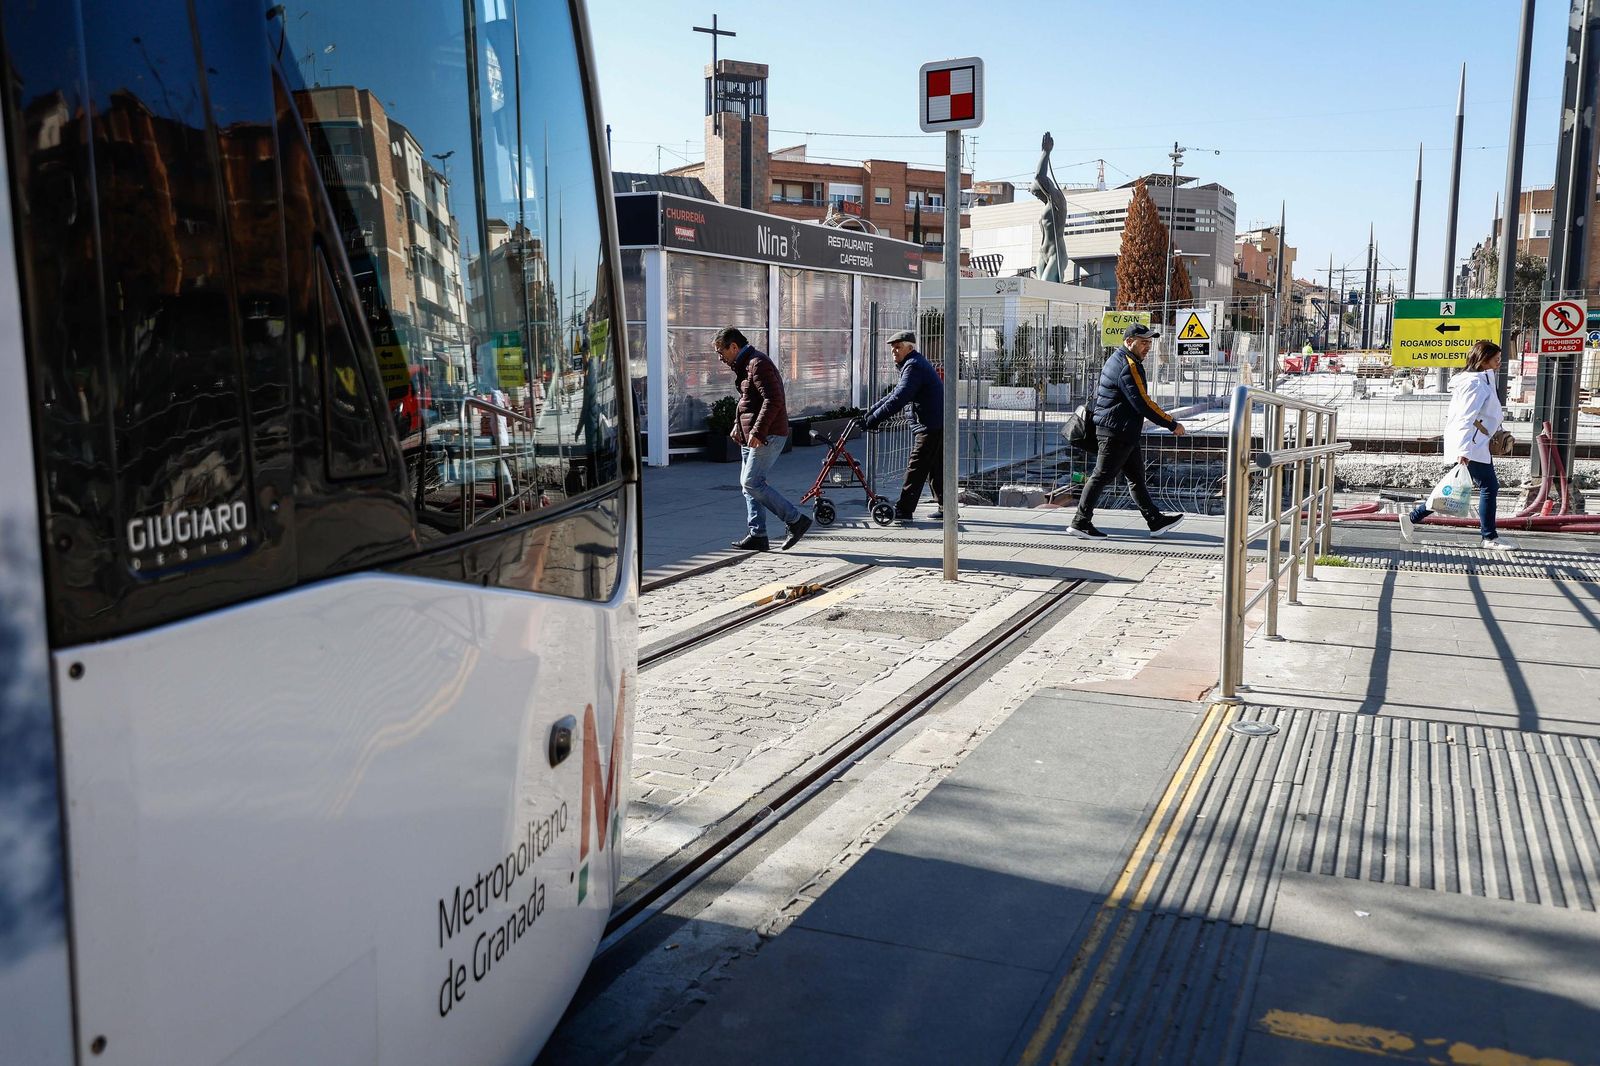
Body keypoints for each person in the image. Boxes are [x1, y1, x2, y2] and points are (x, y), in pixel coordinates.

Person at [1069, 322, 1188, 539]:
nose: (1148, 347)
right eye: (1143, 343)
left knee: (1136, 478)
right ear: (1129, 342)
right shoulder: (1128, 365)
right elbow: (1142, 402)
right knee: (1101, 476)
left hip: (1123, 431)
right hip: (1117, 431)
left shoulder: (1120, 359)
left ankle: (1155, 521)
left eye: (1149, 343)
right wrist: (1172, 423)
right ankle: (1080, 521)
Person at [1400, 340, 1515, 551]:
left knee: (1455, 488)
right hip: (1471, 444)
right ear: (1484, 360)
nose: (1499, 363)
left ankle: (1412, 518)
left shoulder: (1479, 380)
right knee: (1488, 487)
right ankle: (1489, 537)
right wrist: (1464, 451)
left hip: (1474, 443)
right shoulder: (1476, 384)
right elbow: (1465, 417)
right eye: (1496, 360)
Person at [715, 326, 811, 552]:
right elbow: (749, 401)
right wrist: (738, 428)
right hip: (751, 435)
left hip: (768, 435)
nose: (720, 358)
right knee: (748, 486)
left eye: (721, 352)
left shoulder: (758, 364)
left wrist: (758, 432)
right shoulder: (745, 365)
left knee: (752, 482)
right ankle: (758, 534)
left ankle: (795, 520)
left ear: (734, 347)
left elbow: (773, 400)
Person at [863, 329, 945, 524]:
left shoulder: (914, 366)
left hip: (930, 424)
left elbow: (900, 398)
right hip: (935, 422)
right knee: (936, 468)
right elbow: (894, 394)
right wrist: (870, 412)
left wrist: (875, 418)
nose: (894, 351)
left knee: (916, 467)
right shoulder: (912, 364)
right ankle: (947, 507)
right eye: (892, 348)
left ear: (910, 348)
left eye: (898, 347)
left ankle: (904, 510)